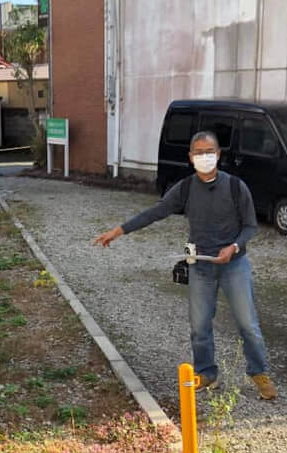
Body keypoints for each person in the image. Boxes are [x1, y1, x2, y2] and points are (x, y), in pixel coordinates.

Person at [93, 131, 276, 400]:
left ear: (218, 154)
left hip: (234, 265)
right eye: (198, 153)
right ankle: (206, 373)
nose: (204, 157)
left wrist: (234, 247)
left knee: (248, 324)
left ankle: (259, 374)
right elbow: (156, 212)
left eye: (209, 151)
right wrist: (119, 231)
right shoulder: (186, 188)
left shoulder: (236, 187)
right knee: (199, 325)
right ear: (190, 158)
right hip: (200, 266)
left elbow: (250, 226)